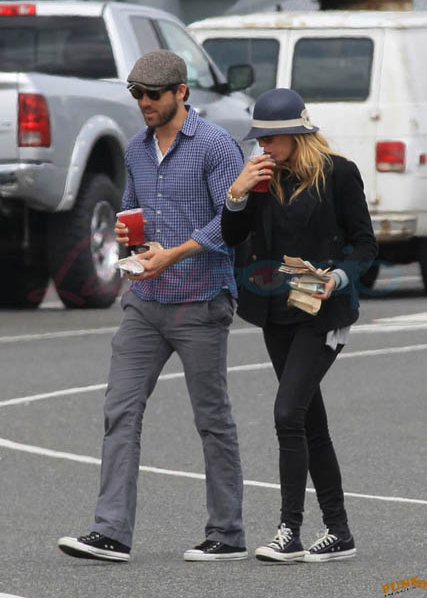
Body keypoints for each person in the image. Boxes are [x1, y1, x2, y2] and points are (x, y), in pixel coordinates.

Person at [58, 50, 247, 563]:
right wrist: (128, 233)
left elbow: (233, 224)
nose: (143, 102)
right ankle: (110, 532)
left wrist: (174, 254)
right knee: (120, 410)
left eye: (153, 94)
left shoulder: (216, 146)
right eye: (136, 93)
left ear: (181, 92)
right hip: (144, 300)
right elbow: (132, 207)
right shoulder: (137, 148)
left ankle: (227, 534)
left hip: (201, 300)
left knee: (212, 419)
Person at [221, 88, 377, 563]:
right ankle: (339, 532)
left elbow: (365, 245)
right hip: (276, 311)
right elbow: (232, 236)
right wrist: (237, 193)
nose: (263, 147)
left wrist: (337, 277)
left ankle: (289, 530)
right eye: (259, 140)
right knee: (310, 422)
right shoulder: (261, 177)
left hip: (323, 310)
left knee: (287, 413)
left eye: (270, 139)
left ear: (296, 134)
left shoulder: (338, 173)